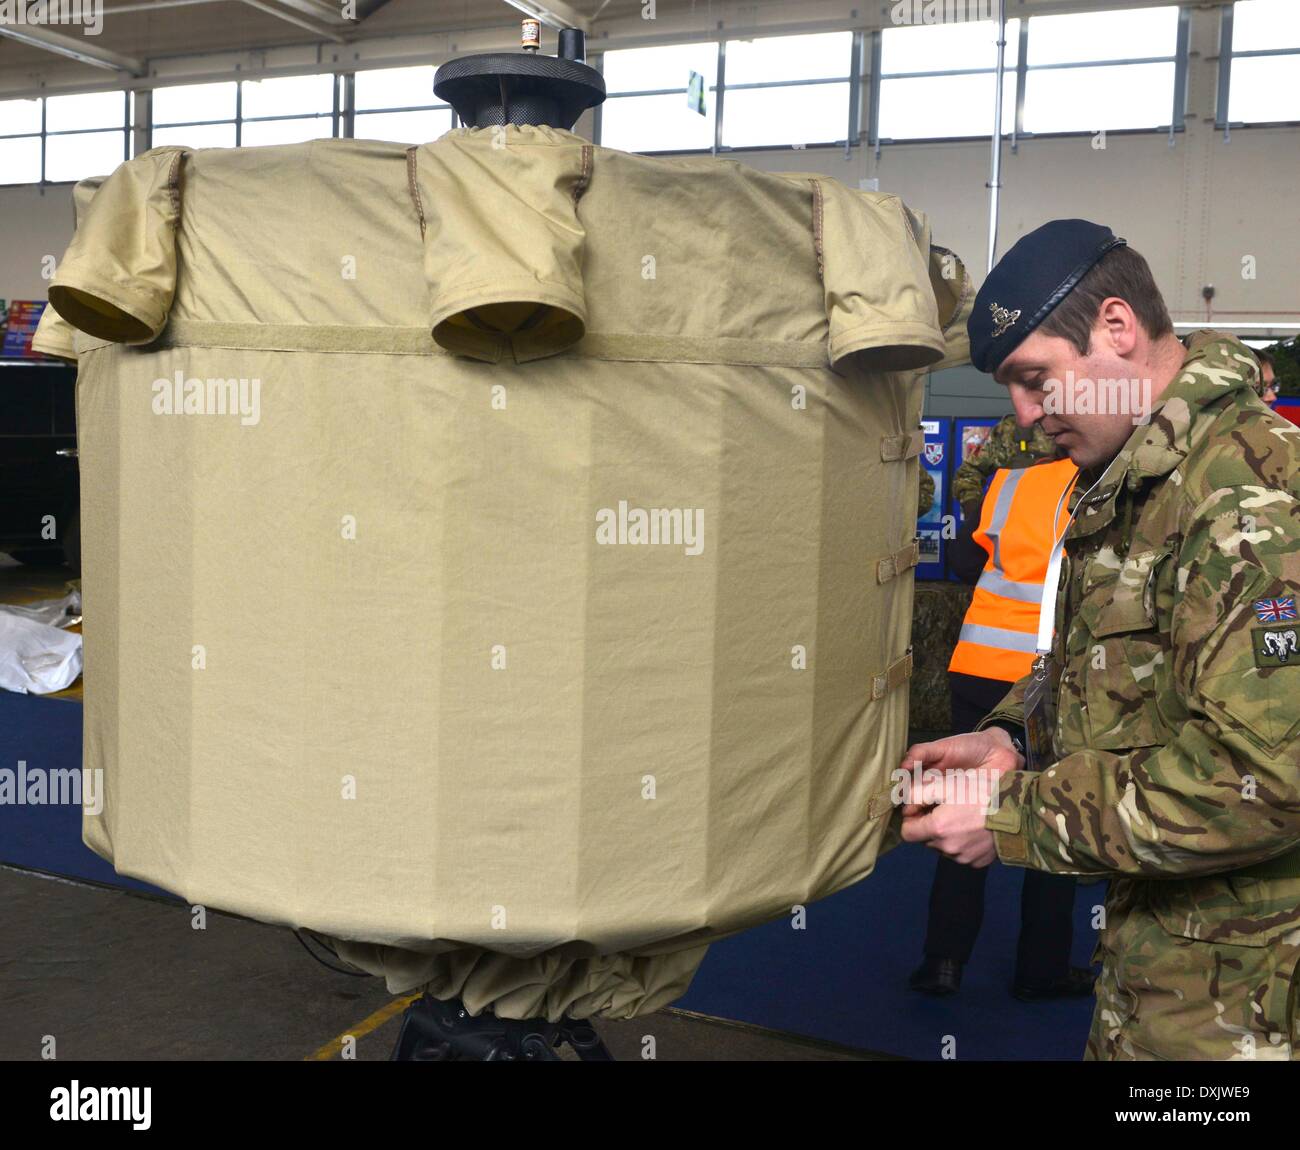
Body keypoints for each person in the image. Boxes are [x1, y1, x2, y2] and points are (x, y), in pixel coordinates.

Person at [899, 218, 1300, 1060]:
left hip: (1247, 1012)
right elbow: (1101, 670)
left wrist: (1016, 816)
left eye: (1035, 378)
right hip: (1159, 976)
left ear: (1117, 328)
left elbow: (1267, 779)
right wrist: (1011, 737)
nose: (1023, 414)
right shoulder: (1133, 487)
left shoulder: (1249, 497)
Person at [911, 454, 1093, 1001]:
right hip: (1049, 675)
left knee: (965, 808)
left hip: (977, 663)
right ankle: (1040, 972)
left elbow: (968, 558)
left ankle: (942, 962)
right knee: (1054, 812)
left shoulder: (1010, 481)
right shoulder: (1105, 477)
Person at [951, 412, 1059, 524]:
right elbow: (969, 472)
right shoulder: (1011, 430)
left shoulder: (1075, 427)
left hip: (1069, 528)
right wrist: (975, 515)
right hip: (1017, 526)